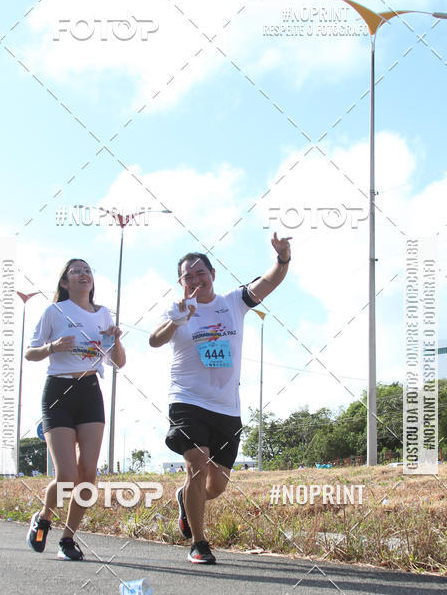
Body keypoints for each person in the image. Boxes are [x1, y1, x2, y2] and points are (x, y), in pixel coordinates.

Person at [149, 232, 291, 564]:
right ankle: (199, 543)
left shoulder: (233, 302)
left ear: (213, 274)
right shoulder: (178, 309)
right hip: (187, 401)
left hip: (227, 407)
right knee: (197, 464)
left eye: (201, 272)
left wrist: (282, 258)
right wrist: (177, 318)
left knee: (217, 486)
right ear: (181, 282)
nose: (196, 279)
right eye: (189, 276)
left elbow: (270, 282)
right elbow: (155, 340)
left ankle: (185, 500)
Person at [24, 258, 125, 560]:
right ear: (65, 283)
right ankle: (44, 517)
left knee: (88, 475)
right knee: (66, 475)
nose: (83, 274)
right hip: (58, 392)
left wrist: (116, 340)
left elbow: (117, 361)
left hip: (90, 391)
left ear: (92, 282)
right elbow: (30, 352)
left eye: (88, 271)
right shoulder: (54, 312)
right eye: (75, 271)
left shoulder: (104, 314)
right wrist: (53, 347)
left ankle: (68, 539)